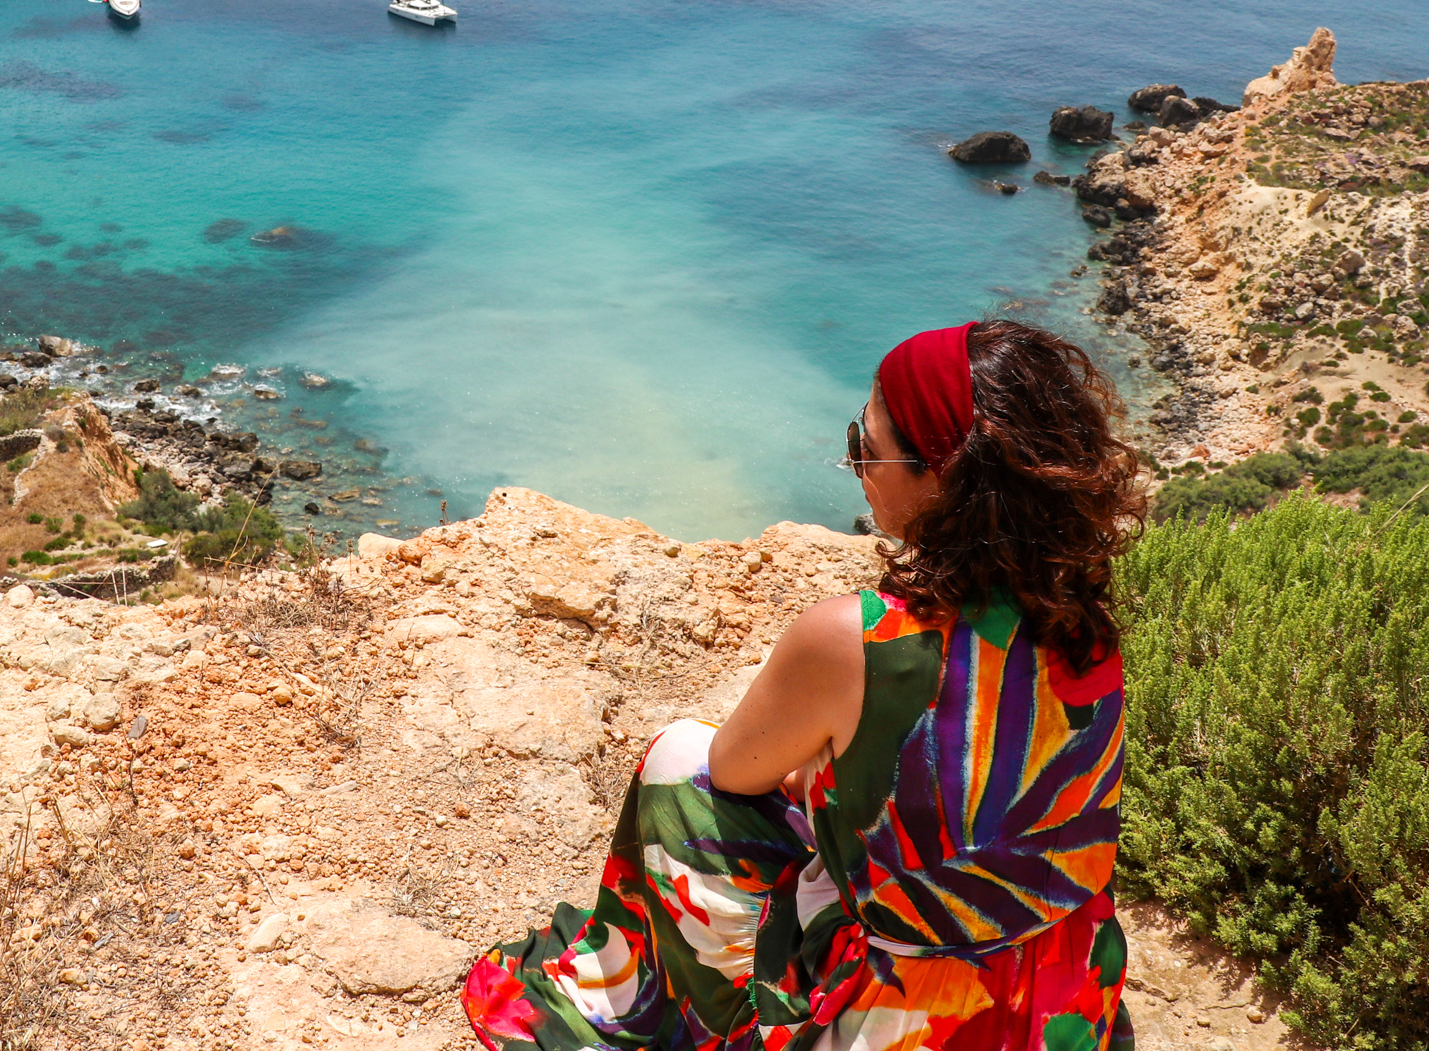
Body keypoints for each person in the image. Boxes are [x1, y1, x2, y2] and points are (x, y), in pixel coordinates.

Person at [464, 320, 1141, 1051]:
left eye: (866, 447)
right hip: (1061, 997)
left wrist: (813, 773)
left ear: (942, 478)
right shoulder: (1086, 625)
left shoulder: (854, 640)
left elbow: (731, 771)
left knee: (678, 762)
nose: (854, 464)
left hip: (911, 1019)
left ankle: (664, 1004)